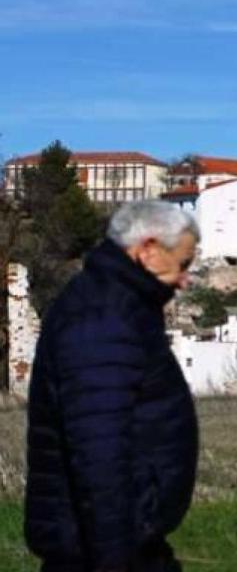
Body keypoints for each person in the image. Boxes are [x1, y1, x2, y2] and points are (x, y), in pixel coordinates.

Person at [24, 201, 200, 572]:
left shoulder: (120, 305)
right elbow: (99, 453)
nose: (185, 280)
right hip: (101, 549)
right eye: (182, 265)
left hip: (124, 540)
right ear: (149, 249)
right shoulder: (103, 317)